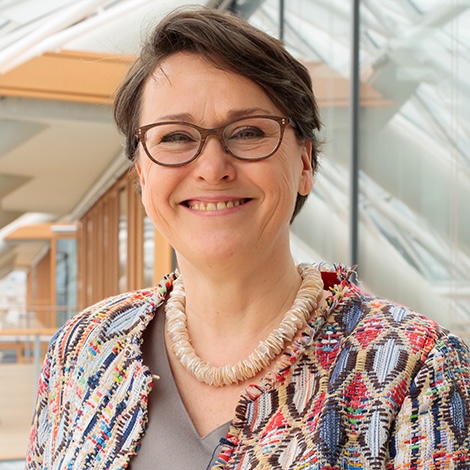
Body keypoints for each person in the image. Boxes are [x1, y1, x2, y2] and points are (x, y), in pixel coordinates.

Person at [26, 6, 470, 470]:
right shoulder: (84, 349)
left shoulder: (414, 367)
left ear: (304, 164)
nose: (212, 168)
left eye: (248, 132)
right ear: (141, 176)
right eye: (175, 137)